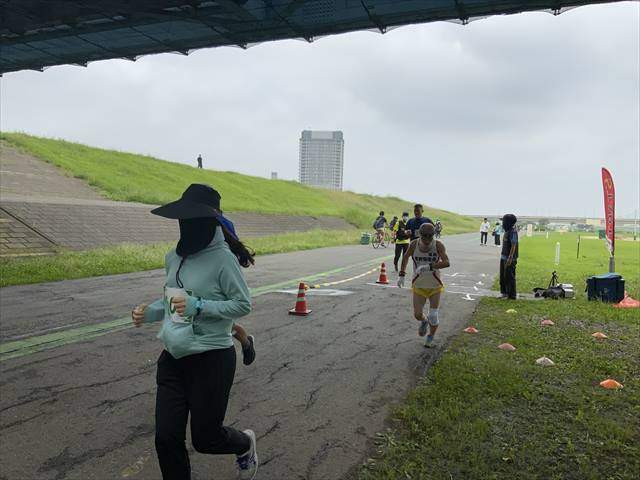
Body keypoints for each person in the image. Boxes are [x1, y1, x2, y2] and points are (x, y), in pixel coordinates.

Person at [131, 184, 258, 480]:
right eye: (183, 219)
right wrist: (150, 312)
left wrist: (198, 306)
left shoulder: (223, 259)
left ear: (208, 222)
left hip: (212, 360)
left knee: (206, 439)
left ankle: (245, 443)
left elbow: (242, 304)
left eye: (193, 219)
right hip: (173, 358)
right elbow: (173, 301)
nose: (186, 225)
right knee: (166, 438)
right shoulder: (173, 257)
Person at [397, 223, 450, 348]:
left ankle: (431, 335)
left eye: (430, 236)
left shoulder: (438, 245)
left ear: (433, 235)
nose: (427, 239)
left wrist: (429, 266)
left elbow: (446, 262)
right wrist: (402, 274)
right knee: (417, 314)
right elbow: (405, 257)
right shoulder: (414, 244)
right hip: (419, 285)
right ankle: (424, 321)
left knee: (433, 315)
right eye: (424, 236)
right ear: (420, 234)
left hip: (434, 285)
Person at [500, 213, 519, 300]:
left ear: (508, 223)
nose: (502, 223)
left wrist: (510, 257)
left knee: (509, 277)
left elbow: (514, 244)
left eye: (503, 221)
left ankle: (511, 295)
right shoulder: (507, 231)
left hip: (509, 258)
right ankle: (504, 293)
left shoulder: (513, 232)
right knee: (503, 276)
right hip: (503, 257)